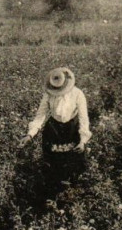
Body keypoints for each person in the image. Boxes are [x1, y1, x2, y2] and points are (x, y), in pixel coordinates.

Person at [21, 67, 91, 198]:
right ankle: (52, 196)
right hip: (53, 130)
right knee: (52, 166)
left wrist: (83, 141)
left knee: (74, 162)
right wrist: (30, 134)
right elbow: (40, 116)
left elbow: (83, 118)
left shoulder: (77, 94)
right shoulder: (48, 94)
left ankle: (73, 194)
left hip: (72, 129)